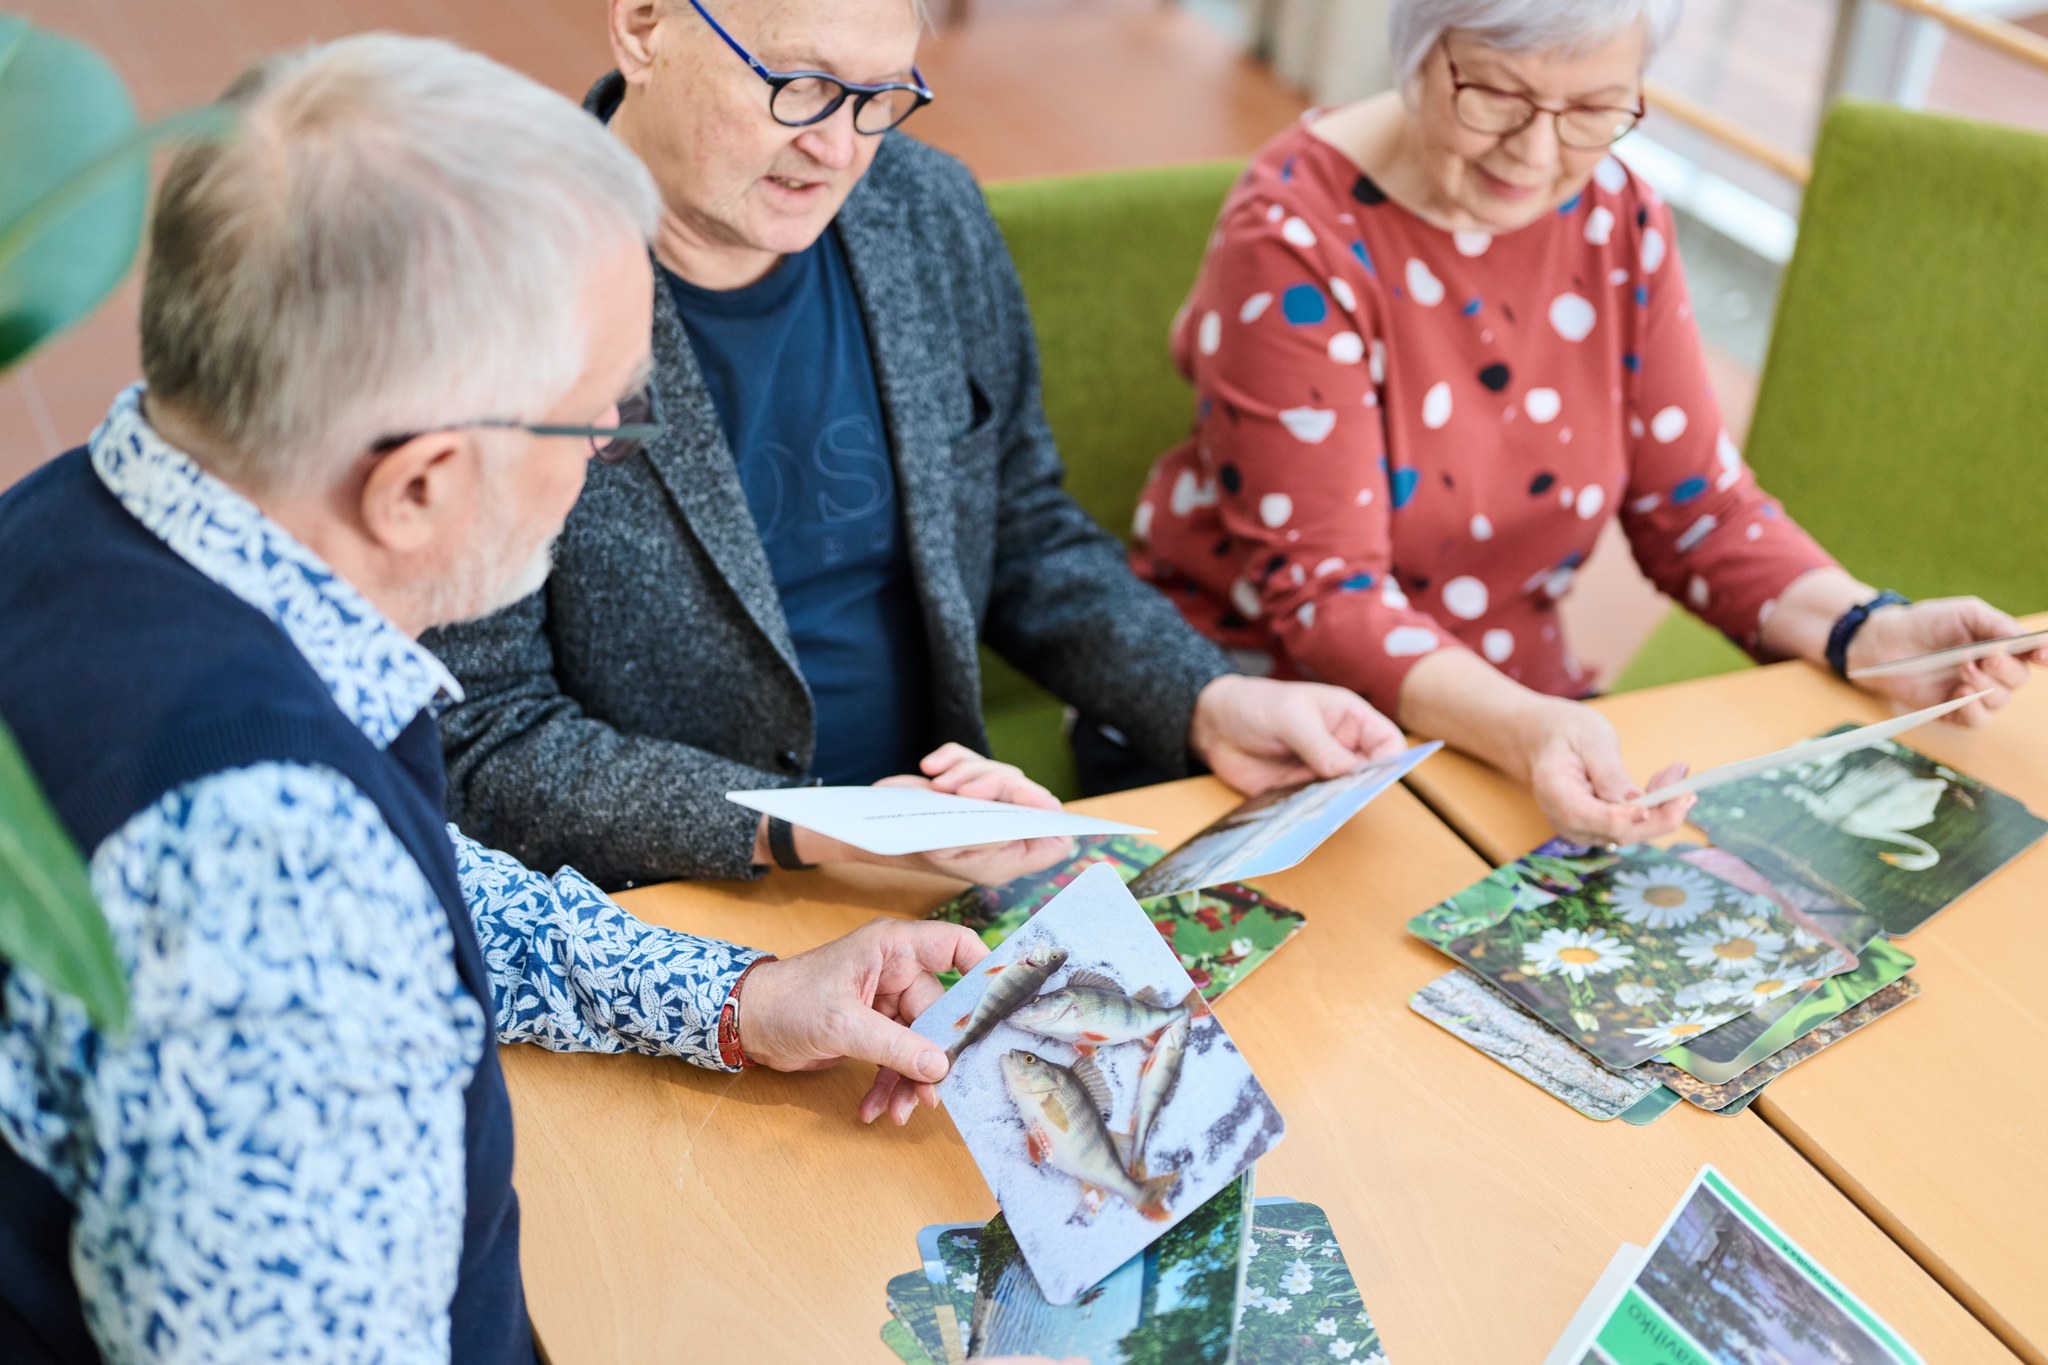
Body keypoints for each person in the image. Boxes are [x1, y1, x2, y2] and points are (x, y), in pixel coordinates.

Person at [0, 36, 1004, 1362]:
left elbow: (422, 887)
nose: (611, 443)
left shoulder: (107, 514)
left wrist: (737, 996)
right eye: (594, 413)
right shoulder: (277, 902)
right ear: (417, 485)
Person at [422, 0, 1408, 890]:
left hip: (943, 863)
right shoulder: (489, 285)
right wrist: (821, 829)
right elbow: (482, 737)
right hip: (668, 905)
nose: (838, 150)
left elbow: (1025, 537)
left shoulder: (924, 212)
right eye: (798, 88)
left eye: (879, 96)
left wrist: (1204, 697)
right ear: (641, 26)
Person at [1127, 0, 2045, 847]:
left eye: (1596, 108)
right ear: (1417, 46)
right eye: (1496, 95)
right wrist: (1529, 728)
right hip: (1283, 728)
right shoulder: (1293, 238)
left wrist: (1867, 628)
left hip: (1516, 719)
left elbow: (1699, 509)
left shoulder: (1617, 218)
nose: (1537, 152)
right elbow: (1329, 598)